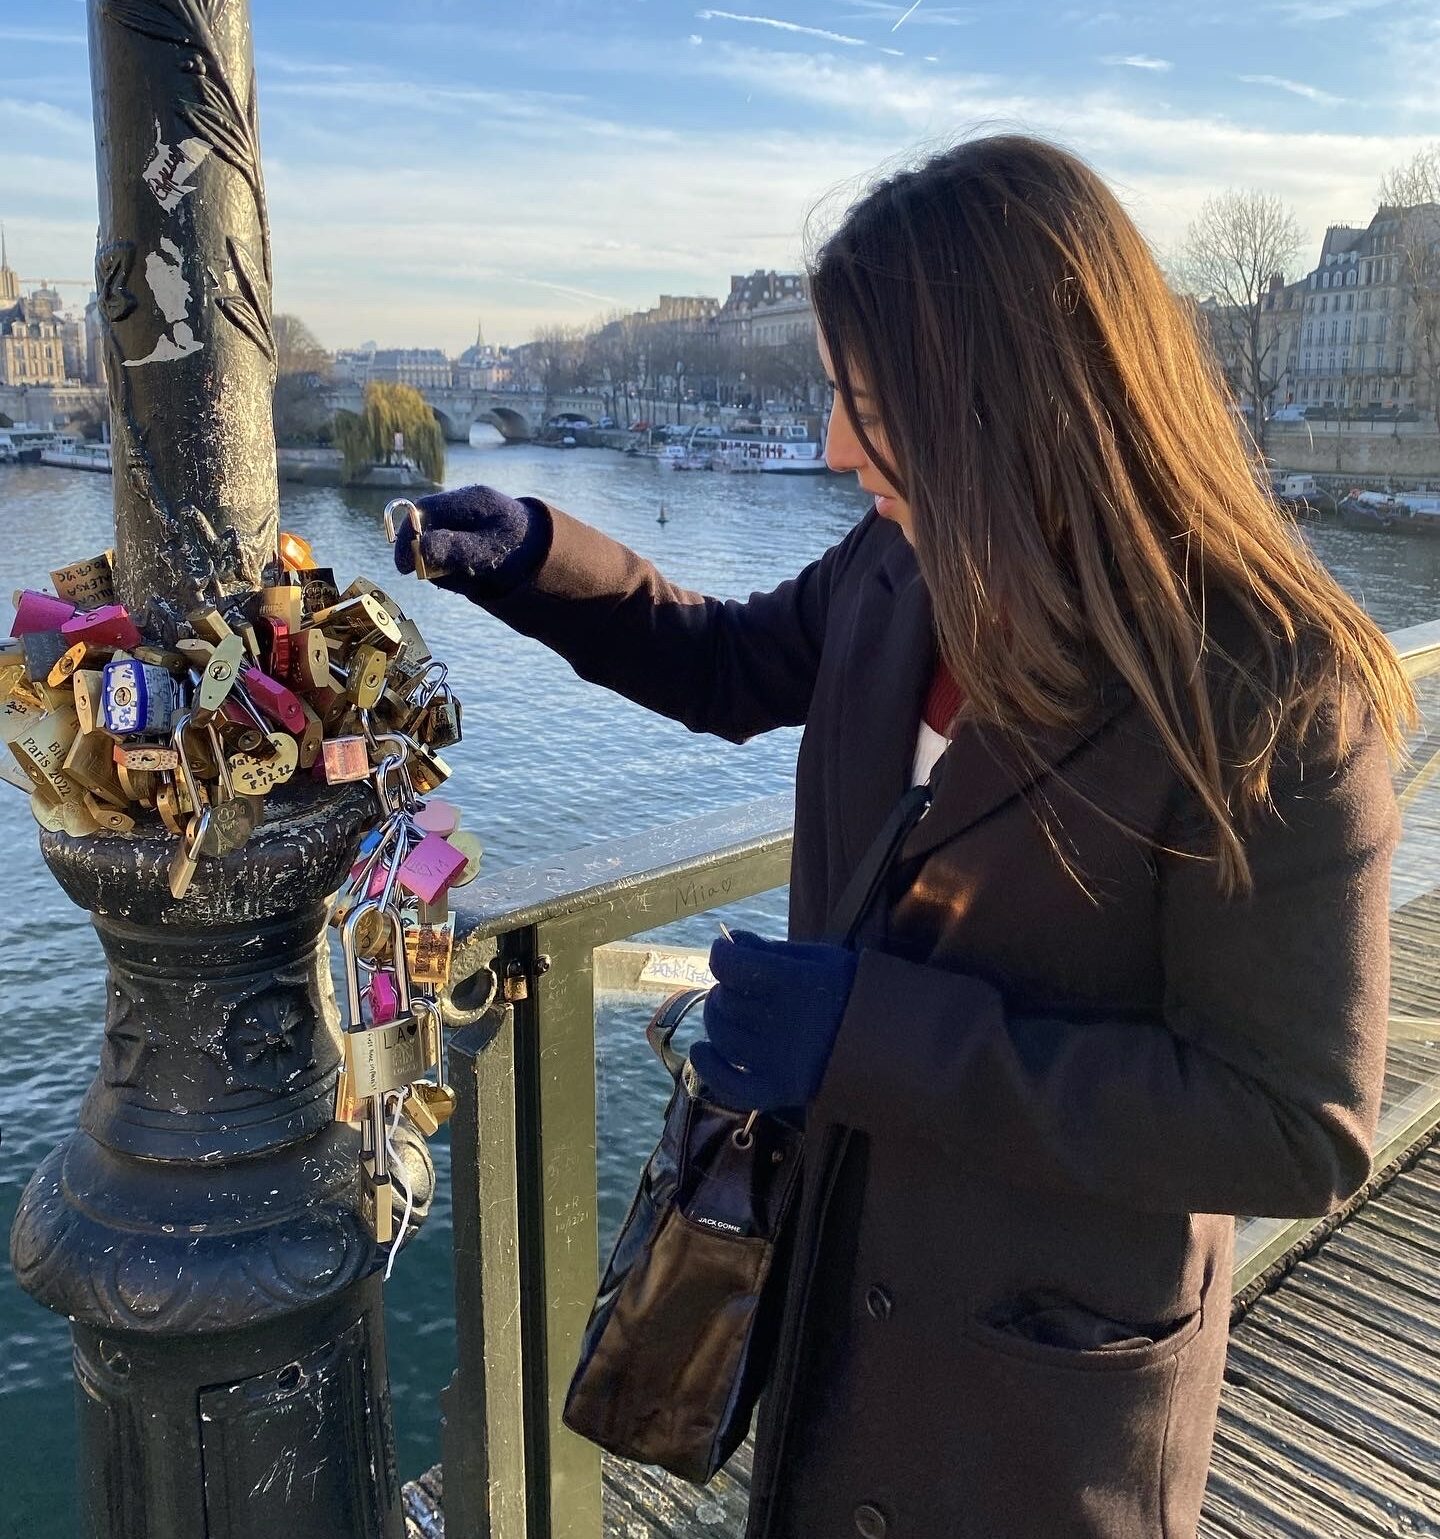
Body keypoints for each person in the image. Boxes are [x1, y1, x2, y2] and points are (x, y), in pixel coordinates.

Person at [393, 135, 1414, 1538]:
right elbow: (734, 665)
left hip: (1040, 1397)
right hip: (831, 1317)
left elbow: (1296, 1128)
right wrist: (543, 562)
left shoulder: (1280, 694)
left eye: (865, 401)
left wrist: (874, 1038)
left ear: (1007, 401)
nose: (829, 444)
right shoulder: (911, 553)